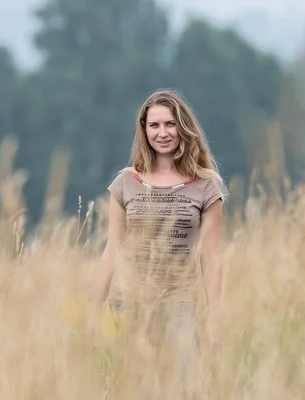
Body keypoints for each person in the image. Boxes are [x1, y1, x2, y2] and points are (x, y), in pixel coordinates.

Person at [87, 89, 225, 394]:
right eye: (154, 126)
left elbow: (211, 257)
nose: (162, 133)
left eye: (170, 124)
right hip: (127, 301)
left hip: (177, 302)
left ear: (183, 128)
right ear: (144, 130)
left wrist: (214, 317)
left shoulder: (206, 187)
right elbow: (112, 250)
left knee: (187, 387)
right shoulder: (125, 182)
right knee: (123, 388)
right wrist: (94, 312)